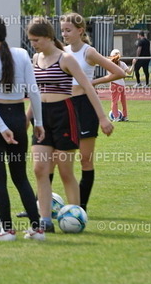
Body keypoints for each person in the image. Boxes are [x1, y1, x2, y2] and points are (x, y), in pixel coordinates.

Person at [26, 17, 113, 232]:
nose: (33, 44)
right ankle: (45, 221)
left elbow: (88, 88)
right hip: (41, 117)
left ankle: (75, 214)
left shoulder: (65, 59)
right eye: (31, 40)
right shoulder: (35, 58)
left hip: (64, 115)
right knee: (40, 169)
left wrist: (102, 118)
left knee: (65, 171)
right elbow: (36, 93)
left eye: (36, 40)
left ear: (48, 37)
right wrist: (26, 120)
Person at [0, 17, 46, 241]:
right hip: (18, 119)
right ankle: (37, 229)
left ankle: (6, 230)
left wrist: (1, 128)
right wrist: (38, 123)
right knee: (21, 177)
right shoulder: (23, 54)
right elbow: (34, 92)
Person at [61, 12, 124, 212]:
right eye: (62, 30)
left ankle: (80, 208)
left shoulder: (89, 52)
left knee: (85, 159)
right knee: (54, 156)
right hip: (64, 106)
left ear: (80, 31)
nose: (64, 34)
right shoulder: (61, 51)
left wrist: (91, 83)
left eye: (68, 30)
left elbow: (119, 72)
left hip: (85, 106)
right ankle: (38, 205)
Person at [108, 49, 133, 121]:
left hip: (114, 84)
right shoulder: (122, 64)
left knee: (114, 101)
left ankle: (116, 117)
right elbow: (129, 72)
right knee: (123, 101)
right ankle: (125, 116)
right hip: (122, 84)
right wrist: (133, 64)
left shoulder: (110, 63)